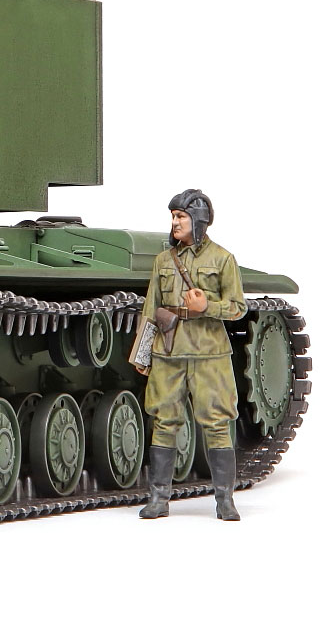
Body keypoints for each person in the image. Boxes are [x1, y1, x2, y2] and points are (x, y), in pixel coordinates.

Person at [137, 189, 247, 521]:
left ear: (198, 221)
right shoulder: (163, 261)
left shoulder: (222, 259)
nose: (175, 223)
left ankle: (225, 500)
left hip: (209, 353)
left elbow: (238, 307)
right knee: (164, 421)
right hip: (169, 350)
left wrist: (206, 306)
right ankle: (158, 499)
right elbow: (151, 308)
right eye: (173, 217)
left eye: (181, 217)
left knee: (217, 423)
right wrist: (142, 354)